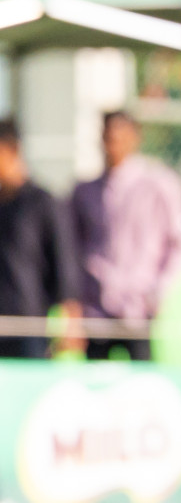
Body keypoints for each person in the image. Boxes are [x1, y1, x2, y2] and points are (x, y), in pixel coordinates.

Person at [72, 111, 181, 361]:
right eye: (108, 137)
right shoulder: (85, 192)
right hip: (97, 310)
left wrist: (157, 291)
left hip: (137, 309)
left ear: (134, 138)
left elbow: (179, 244)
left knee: (141, 386)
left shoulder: (158, 185)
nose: (112, 144)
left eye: (119, 137)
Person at [0, 119, 81, 358]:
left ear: (13, 150)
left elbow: (64, 260)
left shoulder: (42, 202)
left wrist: (71, 319)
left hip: (29, 325)